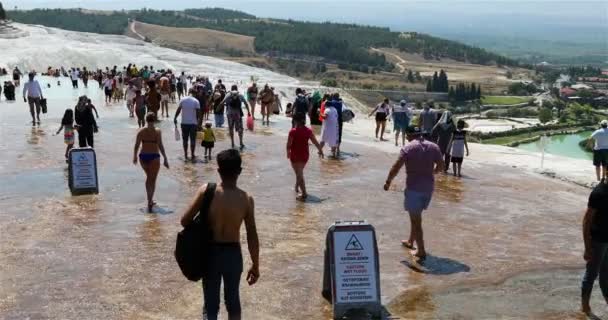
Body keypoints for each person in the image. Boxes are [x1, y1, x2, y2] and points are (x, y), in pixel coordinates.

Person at [179, 149, 260, 320]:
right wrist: (255, 265)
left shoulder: (206, 191)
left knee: (210, 305)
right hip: (233, 255)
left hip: (210, 254)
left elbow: (184, 221)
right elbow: (252, 235)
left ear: (218, 170)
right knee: (233, 302)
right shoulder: (246, 199)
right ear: (239, 171)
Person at [383, 125, 444, 260]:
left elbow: (396, 167)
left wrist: (388, 182)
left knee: (416, 220)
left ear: (409, 135)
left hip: (414, 189)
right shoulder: (434, 147)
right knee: (416, 216)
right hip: (428, 188)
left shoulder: (408, 148)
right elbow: (441, 166)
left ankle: (421, 251)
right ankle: (411, 241)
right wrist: (429, 173)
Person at [581, 179, 608, 315]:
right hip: (597, 241)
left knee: (605, 275)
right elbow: (587, 220)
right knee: (591, 274)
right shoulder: (599, 192)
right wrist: (587, 246)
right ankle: (585, 308)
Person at [133, 112, 169, 212]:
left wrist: (134, 157)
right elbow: (160, 145)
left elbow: (136, 145)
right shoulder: (157, 131)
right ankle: (149, 201)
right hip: (154, 156)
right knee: (152, 179)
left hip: (143, 156)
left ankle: (149, 200)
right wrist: (165, 158)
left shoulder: (141, 131)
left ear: (146, 119)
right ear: (155, 120)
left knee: (149, 177)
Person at [287, 113, 324, 201]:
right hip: (304, 155)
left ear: (296, 121)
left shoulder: (293, 131)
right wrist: (321, 150)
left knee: (299, 173)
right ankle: (297, 186)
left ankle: (304, 194)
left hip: (295, 155)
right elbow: (315, 142)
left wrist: (287, 152)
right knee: (299, 172)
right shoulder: (308, 131)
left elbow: (289, 145)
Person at [174, 89, 201, 161]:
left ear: (189, 92)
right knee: (193, 140)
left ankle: (186, 155)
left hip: (184, 123)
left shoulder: (183, 100)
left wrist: (175, 118)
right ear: (194, 94)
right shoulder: (196, 101)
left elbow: (178, 110)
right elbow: (198, 114)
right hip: (193, 124)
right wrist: (198, 123)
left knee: (185, 140)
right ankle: (192, 155)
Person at [221, 85, 251, 150]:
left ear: (231, 89)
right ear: (237, 89)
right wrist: (248, 112)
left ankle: (232, 143)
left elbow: (222, 102)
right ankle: (241, 142)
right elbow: (246, 103)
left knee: (231, 128)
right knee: (240, 129)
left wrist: (219, 107)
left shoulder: (228, 95)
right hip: (238, 114)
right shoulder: (240, 95)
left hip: (230, 115)